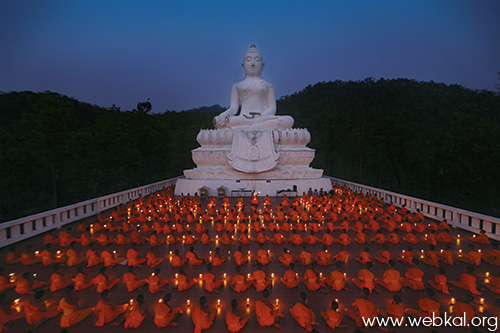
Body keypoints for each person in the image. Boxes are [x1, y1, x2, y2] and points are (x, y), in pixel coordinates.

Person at [213, 44, 294, 130]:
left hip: (262, 118)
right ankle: (252, 127)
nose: (252, 64)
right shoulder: (236, 86)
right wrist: (225, 114)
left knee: (288, 120)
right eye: (248, 60)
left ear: (262, 66)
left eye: (257, 60)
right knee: (218, 120)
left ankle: (240, 129)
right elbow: (234, 108)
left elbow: (272, 108)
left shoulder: (269, 86)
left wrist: (260, 117)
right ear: (243, 66)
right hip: (242, 118)